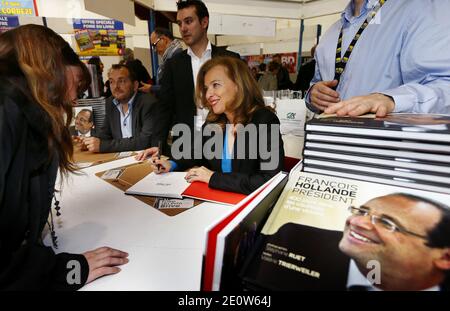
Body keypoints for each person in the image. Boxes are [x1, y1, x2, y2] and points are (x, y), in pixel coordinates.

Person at [0, 24, 128, 290]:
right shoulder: (6, 112)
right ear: (51, 65)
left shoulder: (20, 111)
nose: (74, 99)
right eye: (77, 85)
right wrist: (69, 270)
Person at [139, 56, 284, 195]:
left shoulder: (265, 120)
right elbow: (196, 152)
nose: (208, 94)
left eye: (216, 85)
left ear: (238, 85)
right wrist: (171, 164)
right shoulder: (214, 121)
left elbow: (269, 180)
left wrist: (212, 177)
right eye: (207, 88)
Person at [307, 0, 450, 117]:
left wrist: (391, 100)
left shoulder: (422, 8)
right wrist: (313, 95)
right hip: (329, 143)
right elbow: (317, 83)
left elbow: (444, 87)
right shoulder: (331, 33)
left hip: (388, 146)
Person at [154, 0, 241, 155]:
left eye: (189, 21)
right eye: (180, 23)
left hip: (224, 139)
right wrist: (157, 146)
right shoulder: (173, 65)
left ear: (204, 22)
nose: (183, 28)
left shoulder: (231, 59)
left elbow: (243, 100)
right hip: (186, 143)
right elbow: (164, 109)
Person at [339, 193, 450, 291]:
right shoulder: (322, 248)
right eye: (362, 212)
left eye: (387, 223)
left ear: (445, 258)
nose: (355, 221)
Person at [82, 64, 158, 153]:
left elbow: (144, 141)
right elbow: (105, 134)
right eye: (111, 82)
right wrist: (89, 142)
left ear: (135, 85)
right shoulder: (110, 103)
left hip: (145, 159)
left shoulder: (148, 103)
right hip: (120, 160)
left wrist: (103, 145)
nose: (115, 86)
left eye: (121, 81)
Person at [139, 27, 183, 96]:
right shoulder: (171, 57)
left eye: (154, 45)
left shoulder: (176, 57)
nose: (154, 50)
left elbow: (174, 87)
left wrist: (152, 88)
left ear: (164, 40)